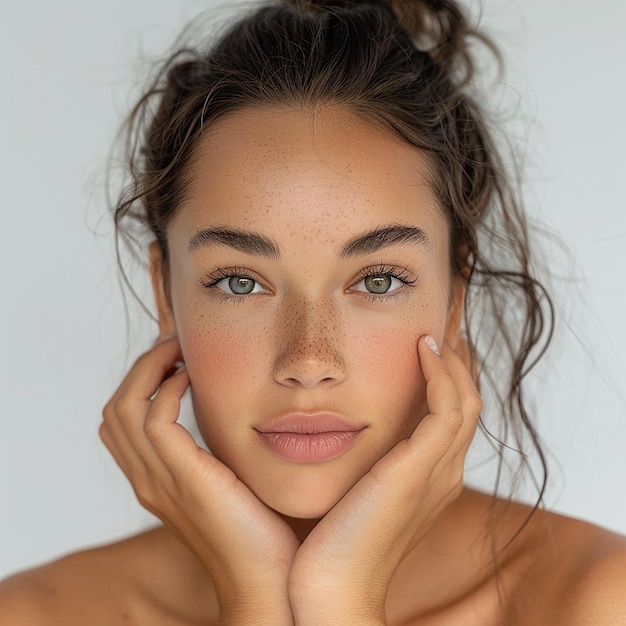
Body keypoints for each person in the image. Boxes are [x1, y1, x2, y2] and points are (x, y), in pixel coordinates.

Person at [1, 0, 625, 623]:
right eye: (240, 282)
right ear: (167, 295)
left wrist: (342, 598)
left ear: (454, 298)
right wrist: (252, 597)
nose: (308, 361)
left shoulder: (596, 600)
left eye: (378, 280)